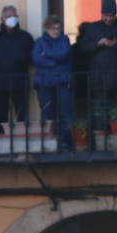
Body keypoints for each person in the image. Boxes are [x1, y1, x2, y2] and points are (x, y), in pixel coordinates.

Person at [76, 0, 117, 131]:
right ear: (101, 14)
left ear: (115, 14)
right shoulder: (92, 28)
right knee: (99, 113)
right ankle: (100, 136)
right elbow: (81, 48)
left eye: (111, 15)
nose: (108, 18)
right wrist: (97, 44)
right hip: (98, 77)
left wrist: (116, 44)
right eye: (106, 15)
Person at [0, 6, 34, 138]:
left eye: (14, 16)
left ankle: (22, 140)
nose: (11, 19)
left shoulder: (26, 37)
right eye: (8, 16)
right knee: (1, 114)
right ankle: (0, 139)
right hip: (1, 82)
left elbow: (33, 58)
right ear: (2, 19)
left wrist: (21, 58)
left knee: (22, 113)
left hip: (20, 81)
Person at [31, 15, 74, 149]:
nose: (55, 31)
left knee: (65, 114)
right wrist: (54, 61)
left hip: (62, 81)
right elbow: (36, 58)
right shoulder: (39, 42)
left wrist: (47, 56)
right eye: (52, 29)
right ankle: (48, 144)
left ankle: (66, 143)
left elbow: (64, 54)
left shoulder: (65, 40)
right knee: (47, 113)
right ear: (46, 28)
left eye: (58, 28)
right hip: (44, 82)